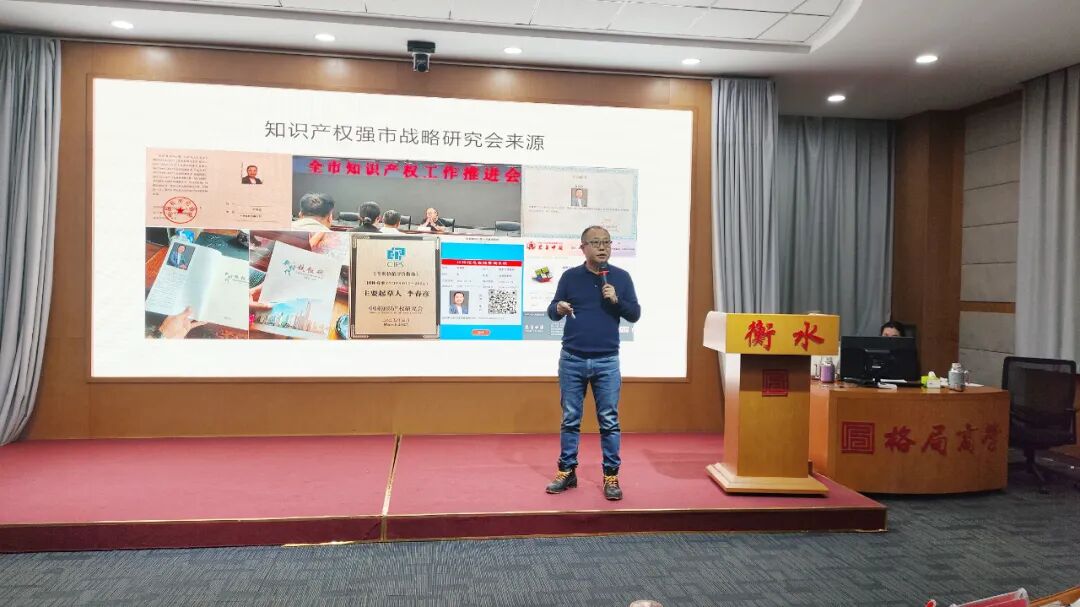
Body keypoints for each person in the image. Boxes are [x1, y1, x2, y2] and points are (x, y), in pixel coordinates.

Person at [545, 226, 640, 501]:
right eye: (596, 242)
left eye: (606, 242)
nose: (602, 247)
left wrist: (617, 301)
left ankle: (611, 475)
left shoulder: (621, 277)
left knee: (609, 420)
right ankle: (567, 471)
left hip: (607, 361)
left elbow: (634, 314)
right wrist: (558, 308)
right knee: (570, 418)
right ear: (583, 247)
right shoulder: (570, 277)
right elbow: (552, 311)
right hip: (572, 359)